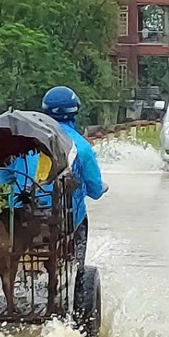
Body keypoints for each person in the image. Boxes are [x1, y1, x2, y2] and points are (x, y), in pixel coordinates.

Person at [39, 86, 108, 272]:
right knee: (80, 218)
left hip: (22, 217)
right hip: (63, 221)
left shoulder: (24, 140)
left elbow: (4, 177)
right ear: (74, 112)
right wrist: (101, 187)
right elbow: (95, 191)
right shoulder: (82, 147)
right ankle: (75, 270)